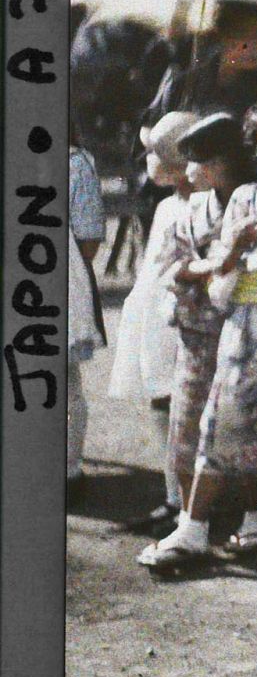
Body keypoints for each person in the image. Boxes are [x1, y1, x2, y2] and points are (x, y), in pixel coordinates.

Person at [141, 97, 257, 576]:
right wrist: (234, 252)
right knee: (219, 429)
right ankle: (193, 527)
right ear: (255, 148)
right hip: (242, 335)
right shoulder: (245, 199)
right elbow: (219, 289)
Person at [136, 114, 256, 562]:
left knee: (243, 429)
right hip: (195, 336)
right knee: (186, 430)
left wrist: (208, 269)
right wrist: (217, 265)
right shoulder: (189, 211)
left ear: (222, 163)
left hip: (244, 332)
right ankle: (193, 524)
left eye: (199, 160)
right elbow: (172, 268)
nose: (189, 170)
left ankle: (254, 520)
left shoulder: (254, 202)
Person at [109, 112, 201, 538]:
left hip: (183, 321)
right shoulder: (166, 206)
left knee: (186, 410)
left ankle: (193, 505)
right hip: (156, 320)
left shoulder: (201, 205)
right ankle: (173, 497)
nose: (148, 161)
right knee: (161, 403)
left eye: (156, 154)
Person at [148, 0, 257, 124]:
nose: (256, 47)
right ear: (223, 35)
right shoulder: (185, 85)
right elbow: (149, 131)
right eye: (245, 36)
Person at [68, 137, 108, 495]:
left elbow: (89, 239)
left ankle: (67, 468)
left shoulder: (75, 164)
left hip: (56, 278)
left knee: (63, 381)